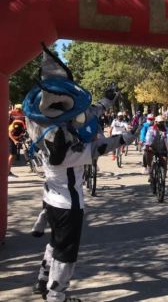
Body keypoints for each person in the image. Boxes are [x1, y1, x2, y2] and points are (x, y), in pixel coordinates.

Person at [28, 47, 137, 302]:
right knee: (66, 253)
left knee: (55, 242)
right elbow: (101, 146)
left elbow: (85, 114)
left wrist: (106, 101)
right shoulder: (68, 151)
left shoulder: (41, 131)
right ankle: (57, 295)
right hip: (68, 205)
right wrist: (126, 137)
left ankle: (43, 280)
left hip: (51, 199)